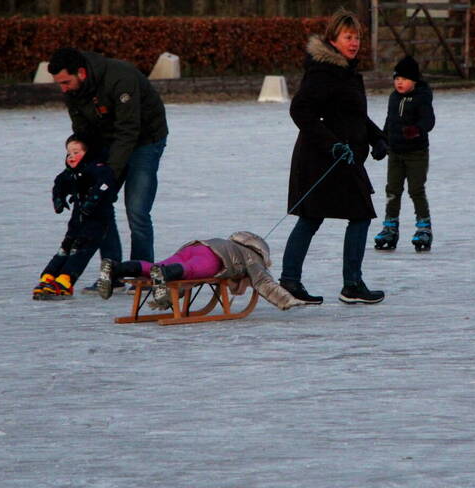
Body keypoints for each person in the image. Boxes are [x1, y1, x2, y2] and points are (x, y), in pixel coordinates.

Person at [279, 9, 388, 305]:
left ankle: (346, 284)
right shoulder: (323, 72)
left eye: (357, 38)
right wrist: (332, 145)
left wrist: (377, 137)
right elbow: (300, 111)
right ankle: (297, 281)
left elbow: (354, 116)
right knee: (321, 217)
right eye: (348, 37)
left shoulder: (347, 72)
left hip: (346, 158)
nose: (354, 43)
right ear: (333, 39)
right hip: (322, 158)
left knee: (355, 215)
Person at [48, 48, 168, 294]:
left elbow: (129, 129)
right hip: (108, 141)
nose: (63, 89)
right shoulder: (74, 90)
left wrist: (109, 174)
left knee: (137, 209)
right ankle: (112, 273)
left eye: (65, 82)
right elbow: (82, 129)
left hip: (145, 140)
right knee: (99, 204)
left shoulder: (120, 78)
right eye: (59, 84)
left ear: (80, 73)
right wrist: (81, 161)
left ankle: (142, 273)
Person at [94, 231, 304, 311]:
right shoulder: (254, 258)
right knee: (190, 270)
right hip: (213, 258)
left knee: (158, 266)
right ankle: (164, 275)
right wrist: (289, 300)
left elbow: (191, 283)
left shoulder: (228, 242)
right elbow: (264, 283)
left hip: (193, 246)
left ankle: (116, 269)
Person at [33, 135, 117, 300]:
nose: (71, 156)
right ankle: (48, 277)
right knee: (65, 247)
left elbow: (104, 184)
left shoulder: (98, 169)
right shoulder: (71, 173)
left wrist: (91, 202)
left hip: (97, 221)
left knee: (80, 249)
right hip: (77, 221)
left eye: (76, 152)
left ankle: (65, 280)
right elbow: (59, 183)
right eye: (69, 153)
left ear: (87, 153)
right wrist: (58, 199)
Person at [373, 55, 435, 252]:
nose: (399, 82)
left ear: (414, 81)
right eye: (397, 78)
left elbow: (429, 121)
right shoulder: (393, 97)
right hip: (395, 153)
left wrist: (415, 130)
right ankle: (390, 226)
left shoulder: (422, 98)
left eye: (404, 79)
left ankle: (424, 227)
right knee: (392, 190)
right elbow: (389, 121)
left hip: (416, 153)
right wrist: (381, 141)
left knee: (416, 190)